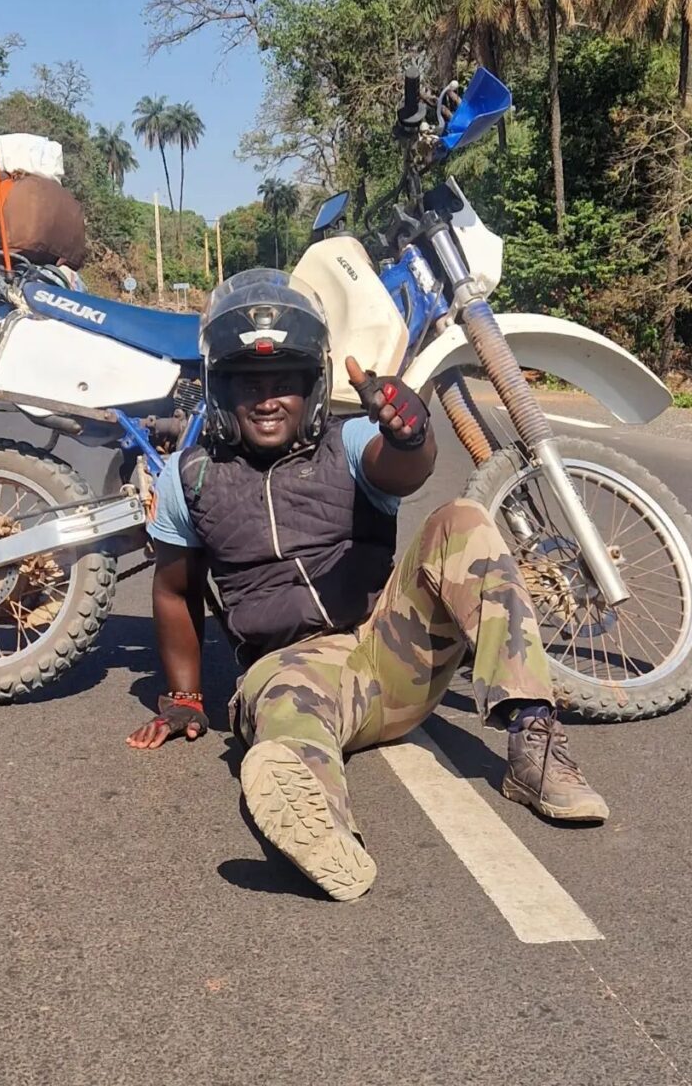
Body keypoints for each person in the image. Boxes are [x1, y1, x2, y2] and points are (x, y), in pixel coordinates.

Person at [127, 268, 607, 901]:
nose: (268, 399)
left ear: (313, 389)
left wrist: (411, 432)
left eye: (285, 384)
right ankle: (322, 832)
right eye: (250, 385)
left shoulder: (349, 441)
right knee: (282, 714)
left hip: (394, 648)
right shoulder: (188, 478)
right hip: (297, 669)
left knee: (462, 521)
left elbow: (404, 468)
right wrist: (185, 695)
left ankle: (533, 744)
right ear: (222, 391)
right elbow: (173, 590)